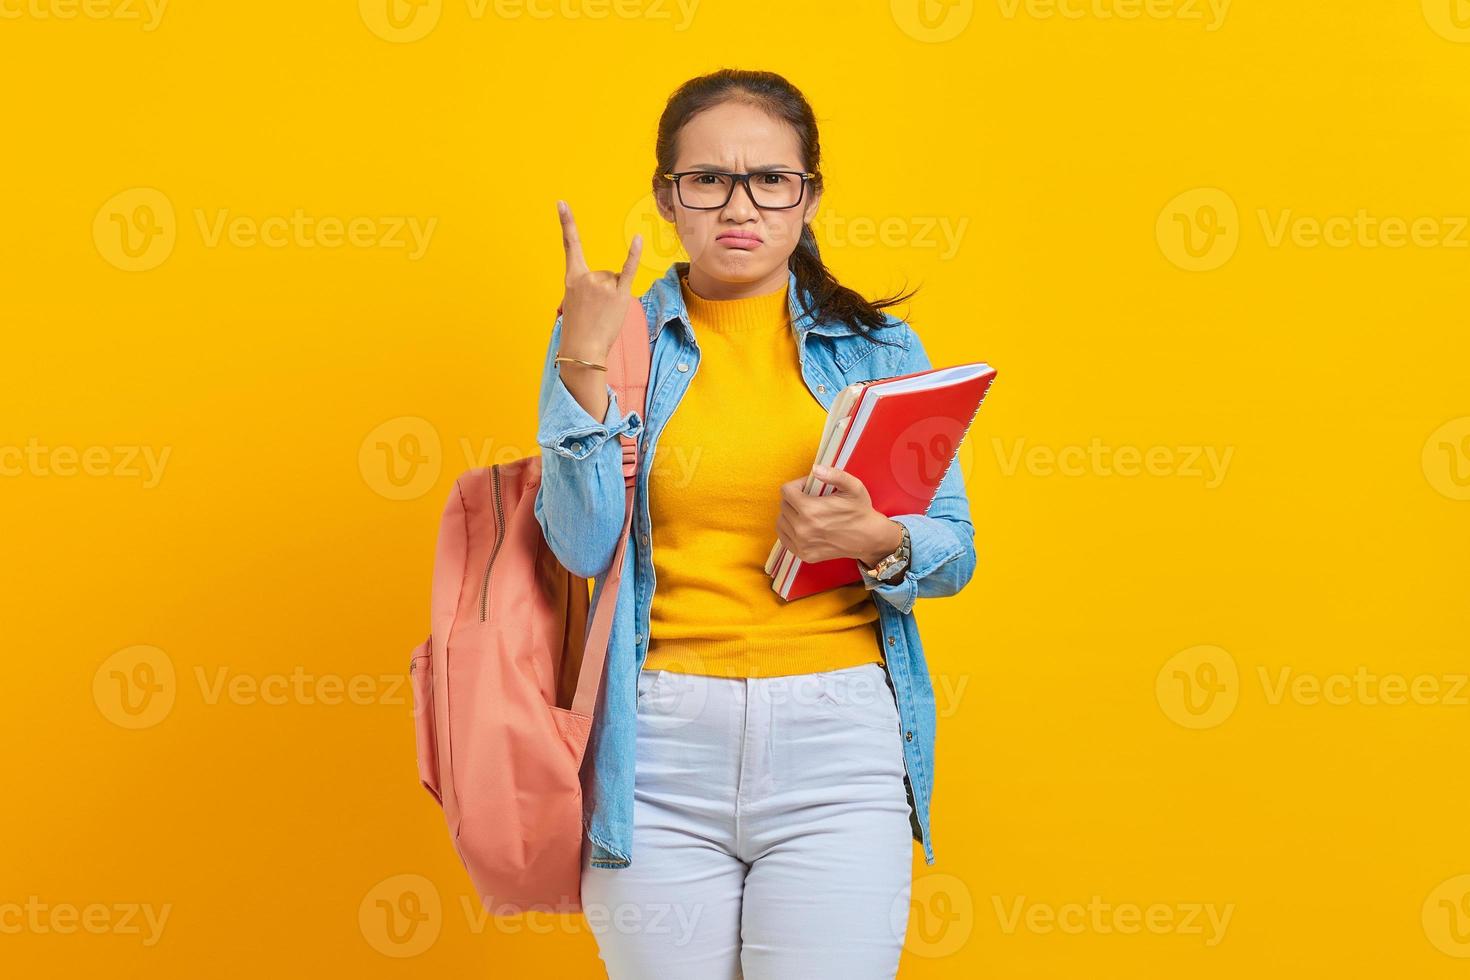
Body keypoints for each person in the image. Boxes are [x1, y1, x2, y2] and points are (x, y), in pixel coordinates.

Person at [534, 68, 978, 980]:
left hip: (838, 738)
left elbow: (953, 552)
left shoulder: (880, 350)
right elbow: (578, 545)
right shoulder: (607, 336)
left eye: (771, 180)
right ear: (667, 196)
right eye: (709, 180)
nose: (741, 206)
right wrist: (580, 358)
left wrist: (873, 542)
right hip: (654, 746)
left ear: (808, 196)